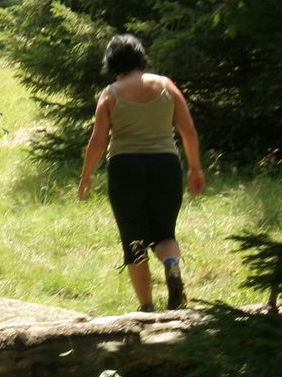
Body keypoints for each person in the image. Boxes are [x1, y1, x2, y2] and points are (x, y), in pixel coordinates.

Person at [77, 34, 205, 310]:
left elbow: (97, 142)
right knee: (165, 234)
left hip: (126, 170)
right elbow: (189, 131)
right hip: (166, 167)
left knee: (134, 241)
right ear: (140, 57)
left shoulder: (110, 94)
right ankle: (171, 265)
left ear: (111, 62)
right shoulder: (166, 86)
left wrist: (86, 176)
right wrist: (195, 168)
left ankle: (146, 307)